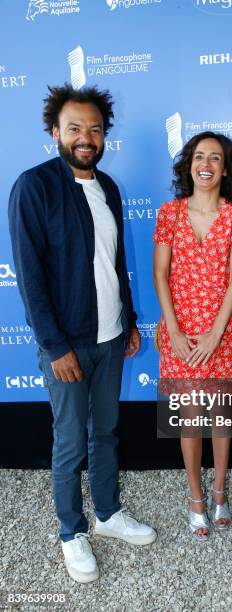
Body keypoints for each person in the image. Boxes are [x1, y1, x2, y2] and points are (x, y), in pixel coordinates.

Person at [8, 84, 156, 583]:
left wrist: (130, 321)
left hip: (111, 340)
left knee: (107, 433)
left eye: (94, 129)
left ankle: (108, 515)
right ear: (55, 132)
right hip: (67, 346)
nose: (85, 137)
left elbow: (114, 264)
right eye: (74, 128)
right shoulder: (34, 187)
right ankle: (71, 532)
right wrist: (54, 346)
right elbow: (30, 278)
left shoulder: (108, 187)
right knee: (70, 442)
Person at [153, 131, 232, 541]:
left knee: (221, 419)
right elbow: (160, 274)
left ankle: (219, 492)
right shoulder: (169, 213)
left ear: (225, 168)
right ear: (189, 165)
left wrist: (215, 333)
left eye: (215, 157)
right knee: (191, 419)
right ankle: (195, 498)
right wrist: (173, 330)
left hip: (221, 334)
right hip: (179, 335)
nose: (206, 163)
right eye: (198, 156)